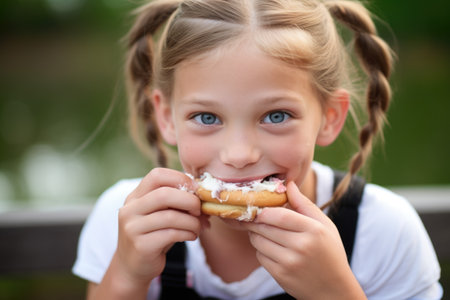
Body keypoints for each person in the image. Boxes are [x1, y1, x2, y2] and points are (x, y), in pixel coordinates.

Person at [72, 0, 443, 299]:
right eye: (206, 117)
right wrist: (126, 275)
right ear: (166, 117)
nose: (238, 154)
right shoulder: (125, 220)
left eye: (276, 115)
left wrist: (335, 293)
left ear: (329, 117)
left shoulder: (384, 232)